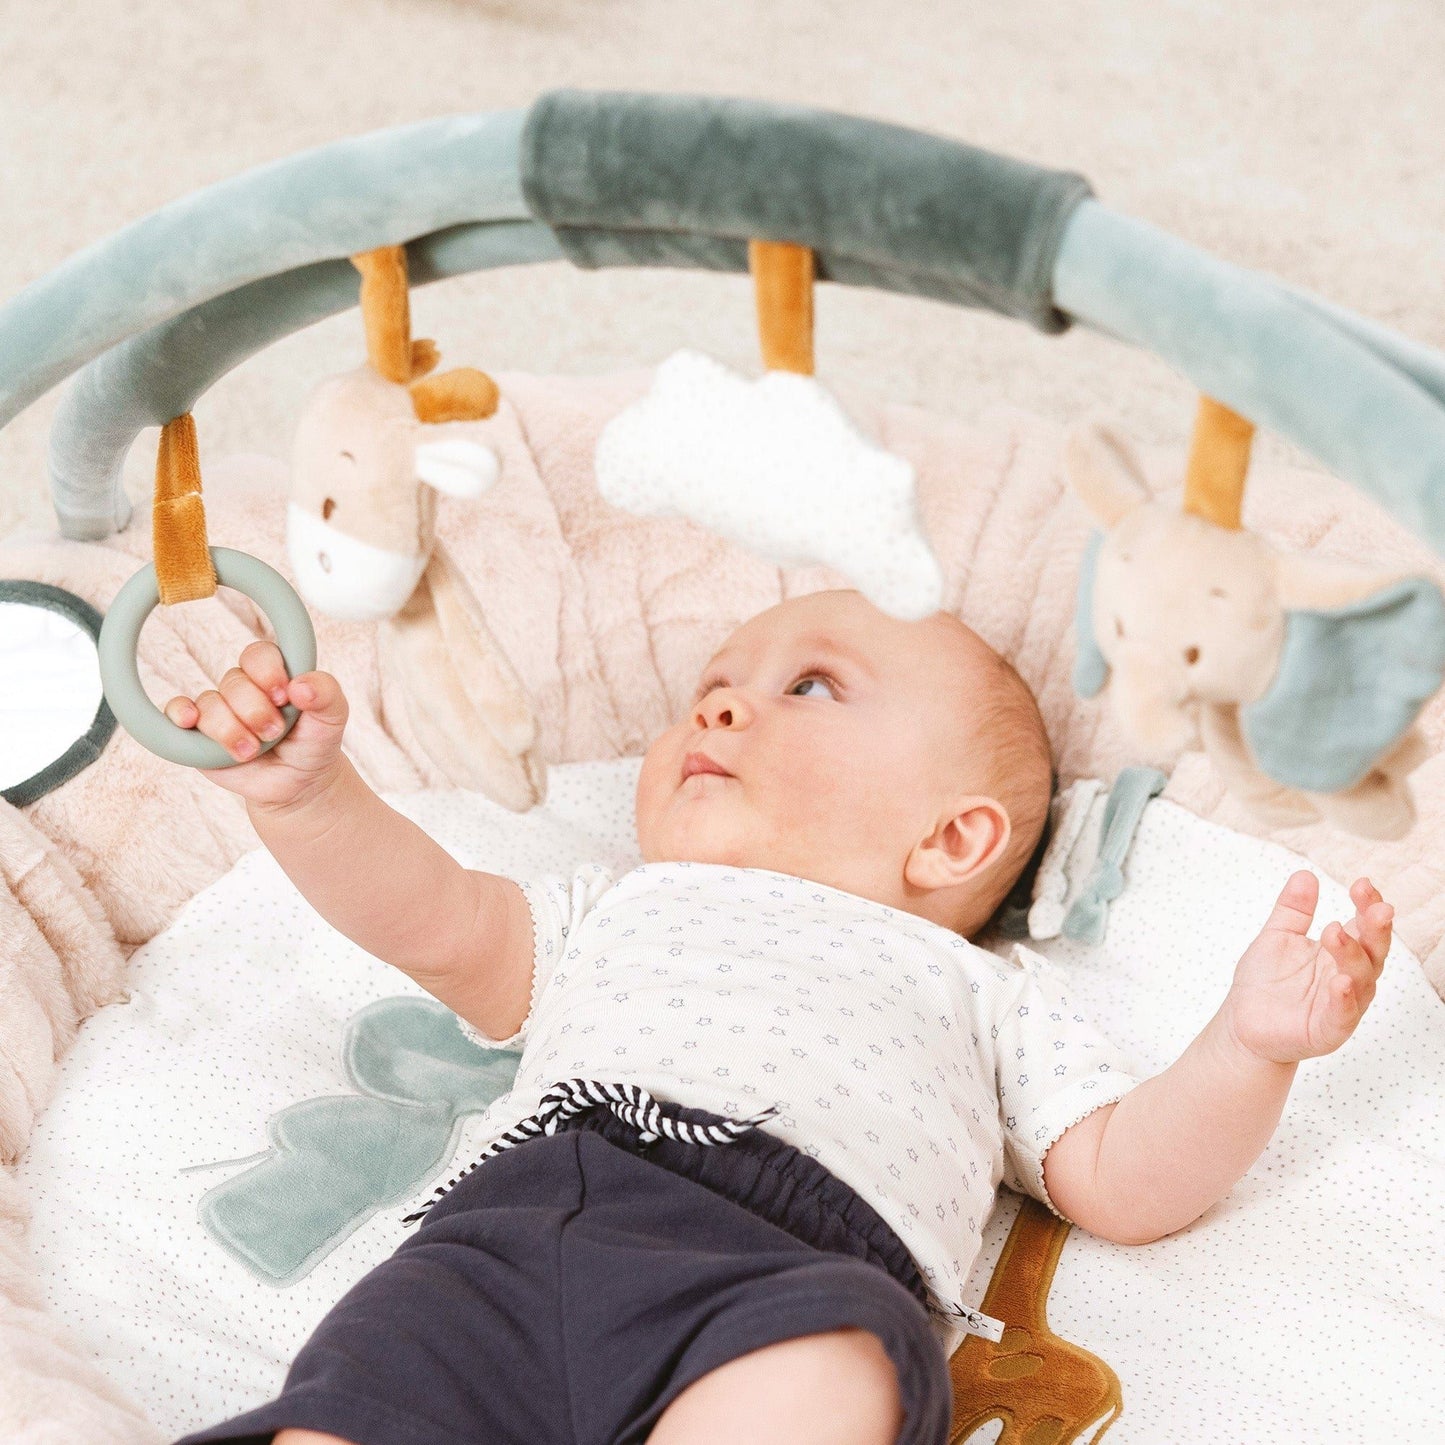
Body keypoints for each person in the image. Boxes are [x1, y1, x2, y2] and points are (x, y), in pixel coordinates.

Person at [171, 587, 1392, 1445]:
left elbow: (1123, 1177)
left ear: (949, 836)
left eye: (809, 685)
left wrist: (1245, 1046)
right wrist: (312, 796)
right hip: (521, 1225)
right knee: (376, 1377)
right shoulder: (617, 905)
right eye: (709, 687)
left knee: (825, 1376)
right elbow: (431, 915)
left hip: (793, 1268)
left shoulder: (979, 989)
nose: (714, 708)